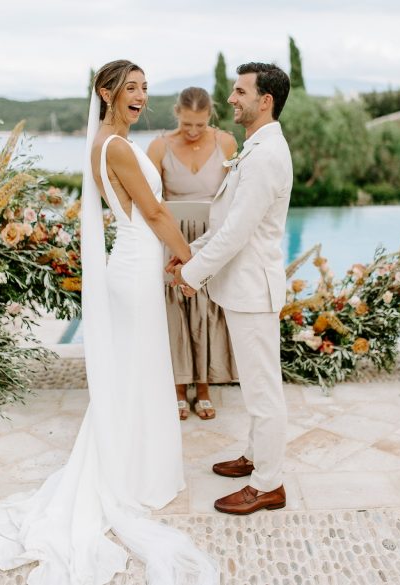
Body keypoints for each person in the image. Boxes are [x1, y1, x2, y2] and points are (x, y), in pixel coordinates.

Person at [0, 60, 218, 585]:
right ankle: (129, 473)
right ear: (105, 93)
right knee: (140, 370)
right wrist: (191, 262)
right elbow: (154, 213)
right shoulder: (113, 146)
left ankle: (136, 464)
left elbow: (149, 213)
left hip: (137, 263)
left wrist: (172, 258)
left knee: (139, 371)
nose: (141, 96)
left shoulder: (115, 143)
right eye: (131, 88)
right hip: (134, 268)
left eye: (145, 88)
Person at [170, 62, 293, 515]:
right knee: (256, 389)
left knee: (263, 391)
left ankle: (269, 484)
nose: (231, 99)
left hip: (253, 290)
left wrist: (190, 273)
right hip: (242, 286)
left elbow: (237, 234)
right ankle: (256, 456)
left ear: (265, 101)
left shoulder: (265, 156)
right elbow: (225, 221)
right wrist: (189, 254)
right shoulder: (255, 148)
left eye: (240, 92)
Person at [148, 87, 238, 420]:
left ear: (209, 116)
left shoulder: (226, 143)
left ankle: (203, 388)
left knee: (207, 308)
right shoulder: (159, 146)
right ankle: (177, 389)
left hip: (212, 238)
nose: (193, 131)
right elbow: (151, 201)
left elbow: (233, 197)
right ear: (177, 114)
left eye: (200, 125)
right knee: (175, 311)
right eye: (187, 124)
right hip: (172, 239)